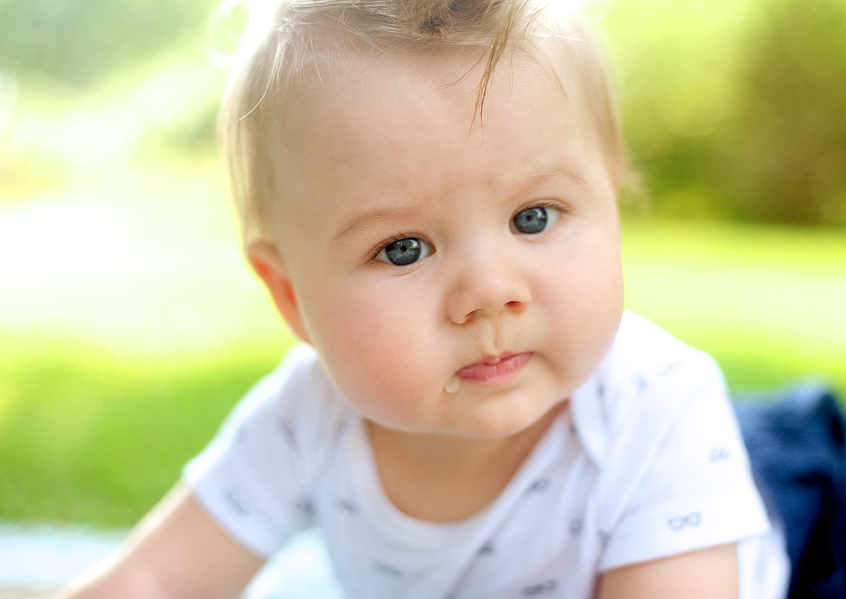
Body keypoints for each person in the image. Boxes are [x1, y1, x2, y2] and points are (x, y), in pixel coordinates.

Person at [56, 0, 791, 597]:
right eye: (402, 248)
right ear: (290, 297)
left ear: (613, 202)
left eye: (533, 217)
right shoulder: (305, 419)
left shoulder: (657, 407)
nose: (489, 293)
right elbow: (154, 576)